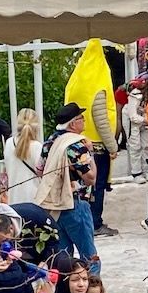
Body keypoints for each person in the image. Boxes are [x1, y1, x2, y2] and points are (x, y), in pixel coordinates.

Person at [35, 102, 99, 273]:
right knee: (89, 256)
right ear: (72, 123)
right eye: (81, 119)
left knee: (62, 258)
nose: (84, 122)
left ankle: (64, 292)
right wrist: (90, 153)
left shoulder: (49, 142)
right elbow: (91, 177)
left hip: (55, 207)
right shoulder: (76, 145)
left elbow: (39, 170)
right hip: (75, 204)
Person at [3, 108, 43, 206]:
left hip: (13, 197)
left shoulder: (9, 143)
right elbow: (41, 172)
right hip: (33, 197)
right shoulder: (37, 146)